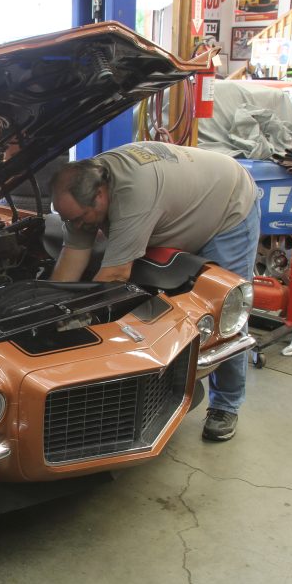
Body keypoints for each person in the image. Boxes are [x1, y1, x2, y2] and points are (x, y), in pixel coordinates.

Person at [49, 141, 259, 442]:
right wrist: (55, 309)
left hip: (227, 207)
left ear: (100, 195)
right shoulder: (84, 188)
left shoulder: (133, 194)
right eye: (69, 219)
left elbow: (115, 275)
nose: (77, 225)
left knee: (225, 305)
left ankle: (226, 404)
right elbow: (72, 257)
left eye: (80, 219)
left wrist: (75, 323)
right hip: (180, 208)